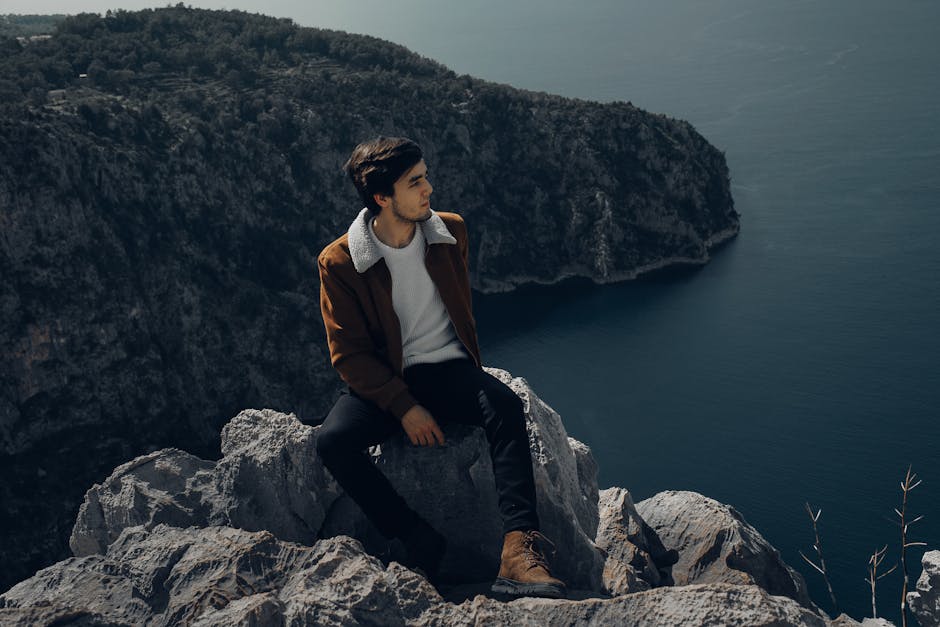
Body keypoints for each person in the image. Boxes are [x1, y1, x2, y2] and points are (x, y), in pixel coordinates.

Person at [315, 136, 567, 599]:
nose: (429, 188)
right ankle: (417, 539)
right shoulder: (340, 261)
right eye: (416, 182)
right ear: (382, 197)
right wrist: (403, 405)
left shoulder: (450, 233)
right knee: (332, 441)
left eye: (426, 175)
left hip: (448, 370)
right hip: (387, 380)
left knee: (506, 406)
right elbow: (349, 355)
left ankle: (518, 551)